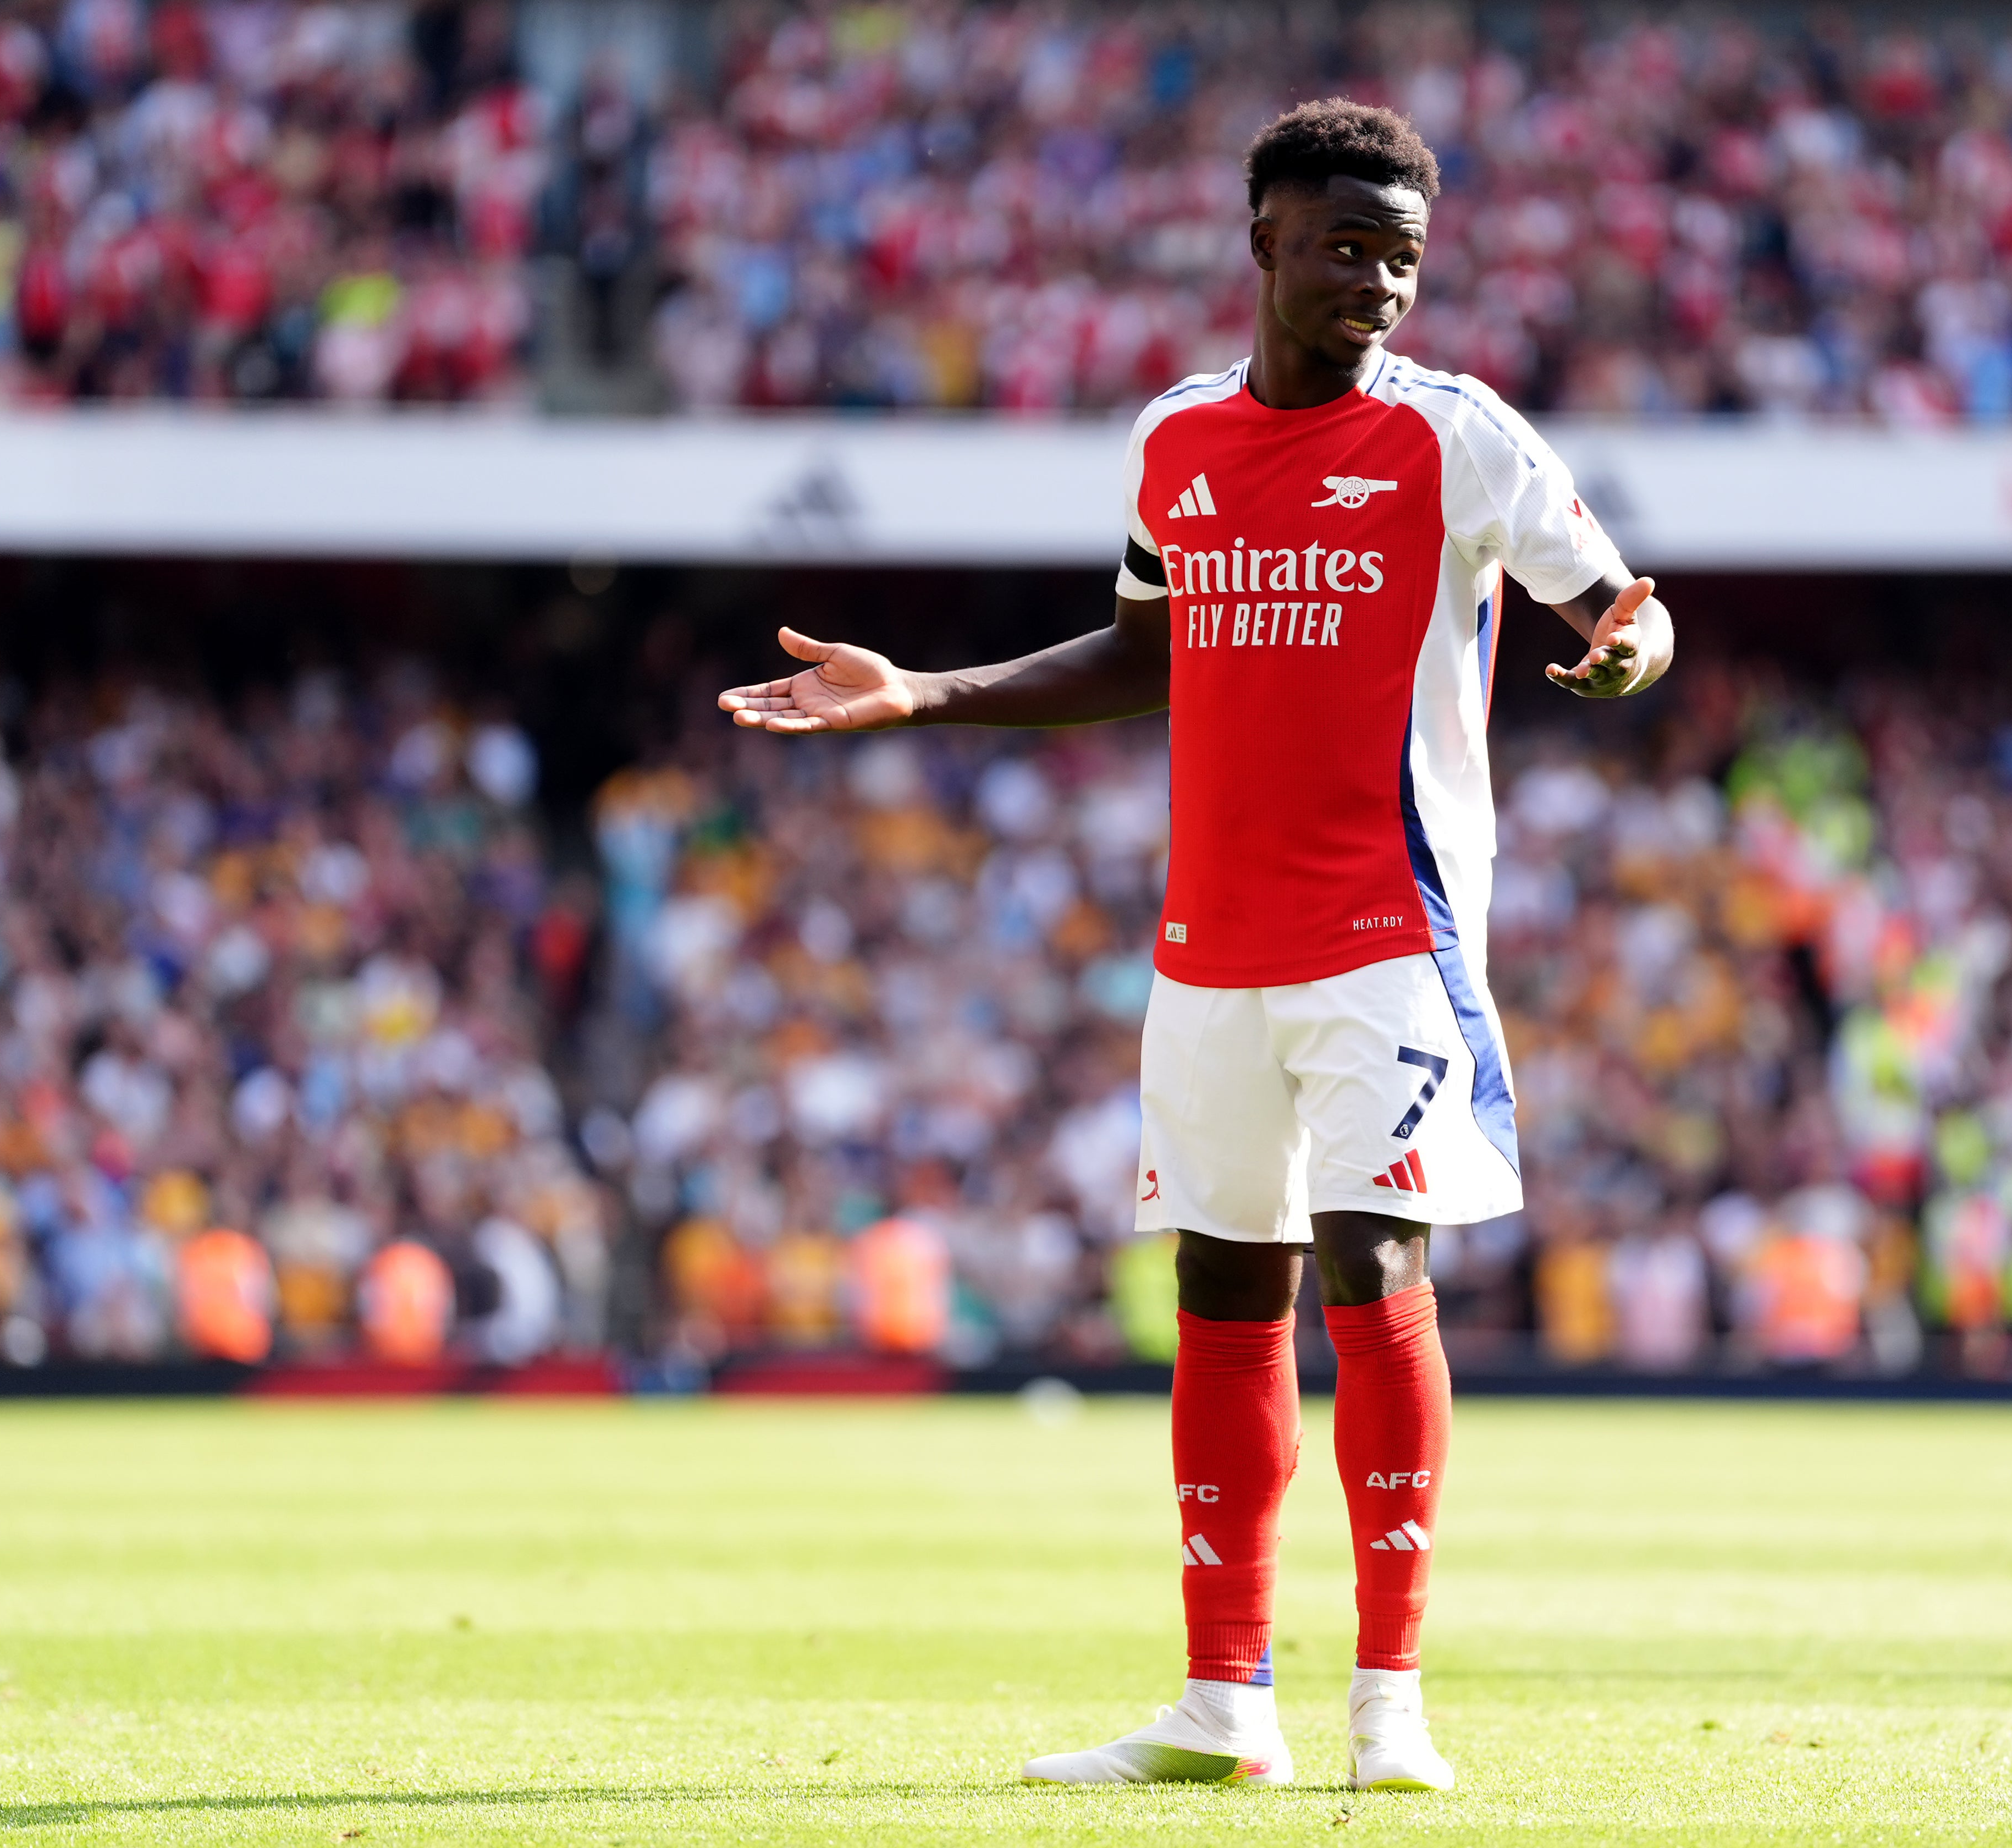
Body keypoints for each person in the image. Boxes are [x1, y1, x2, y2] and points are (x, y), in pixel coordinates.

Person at [717, 97, 1674, 1793]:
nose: (1376, 283)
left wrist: (1626, 654)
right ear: (1264, 245)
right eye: (1343, 247)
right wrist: (923, 691)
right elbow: (1144, 648)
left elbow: (1620, 602)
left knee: (1375, 1264)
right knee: (1224, 1292)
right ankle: (1224, 1703)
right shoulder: (1174, 439)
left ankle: (1391, 1703)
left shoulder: (1457, 435)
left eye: (1402, 257)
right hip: (1207, 949)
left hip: (1390, 930)